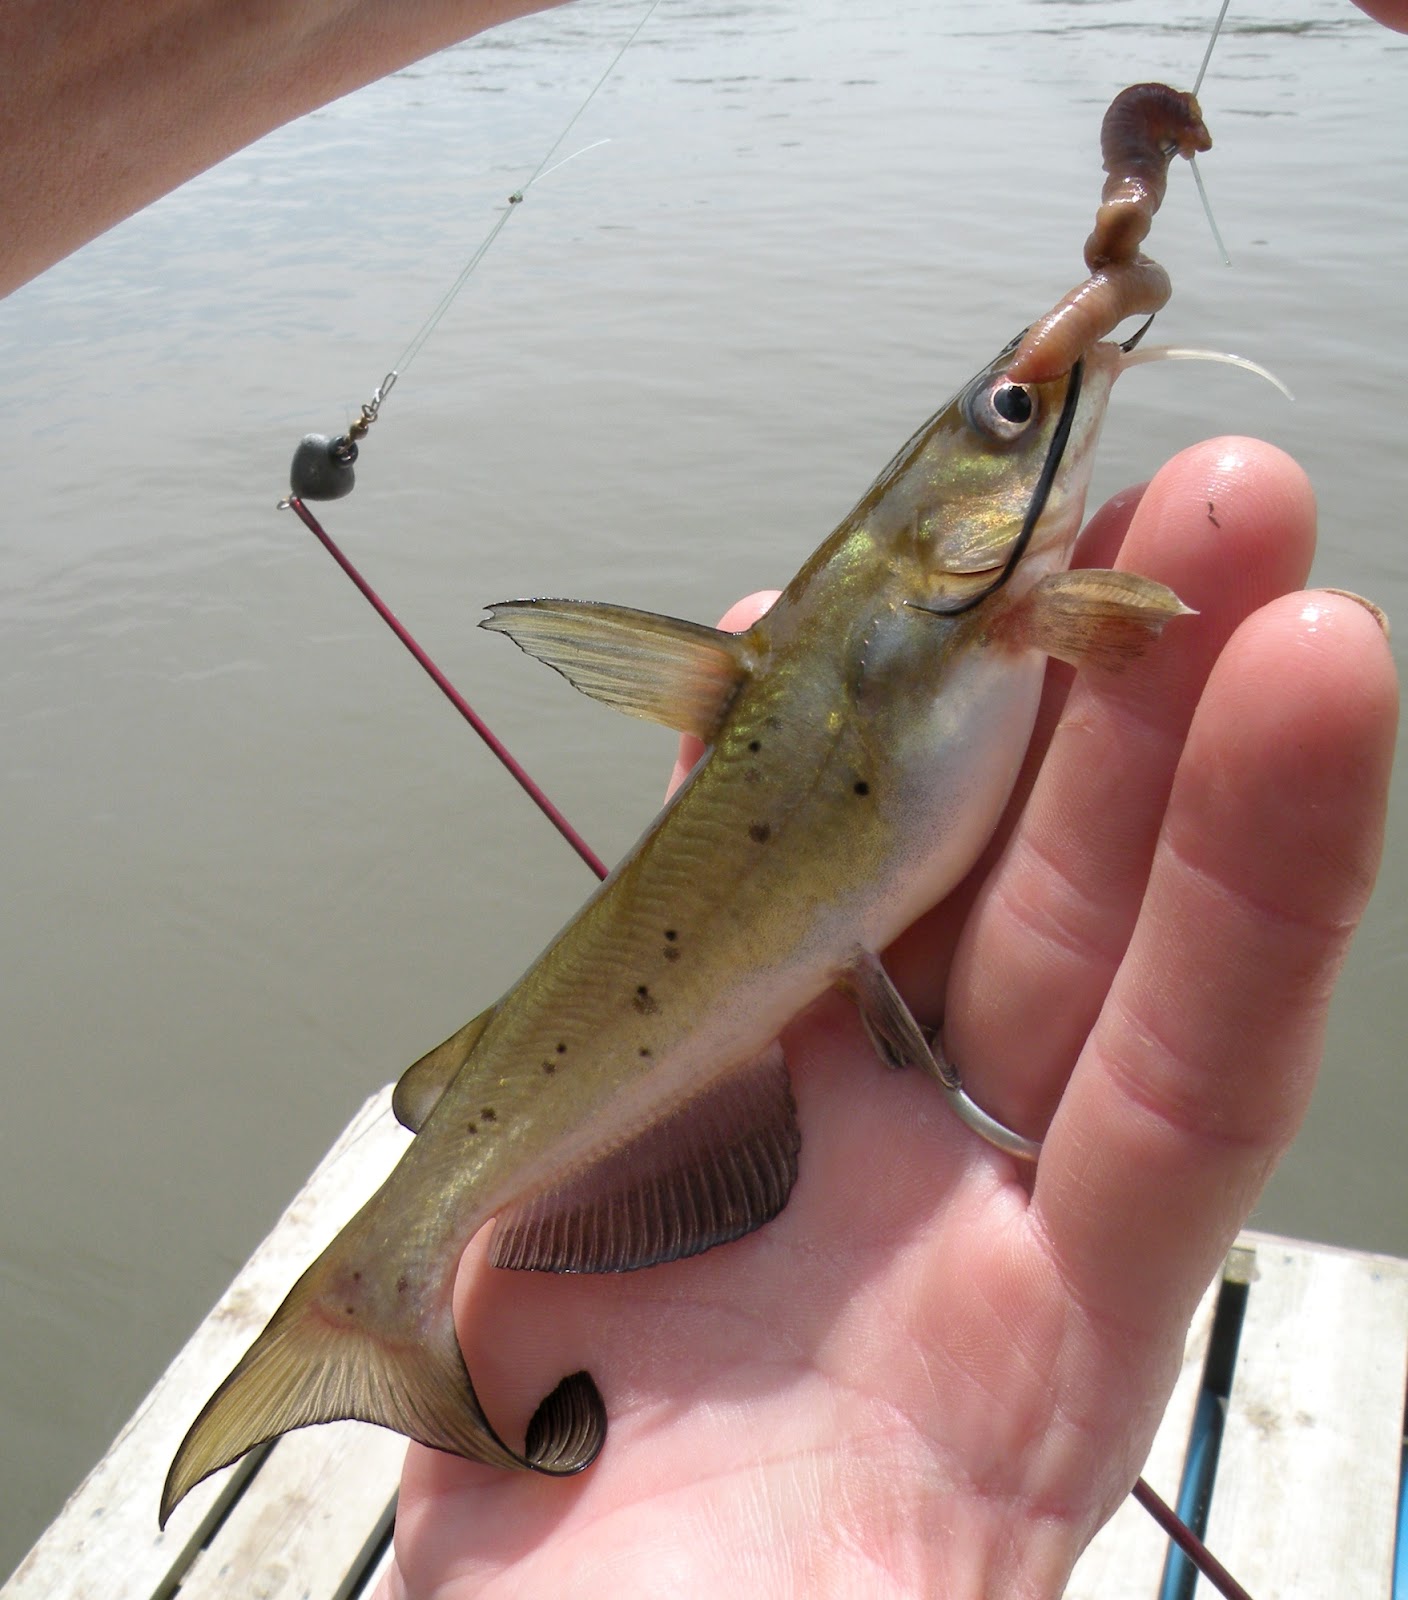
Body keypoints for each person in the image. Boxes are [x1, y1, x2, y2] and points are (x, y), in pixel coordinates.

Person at [3, 5, 1401, 1596]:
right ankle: (377, 1299)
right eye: (1006, 414)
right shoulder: (1005, 603)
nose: (1042, 390)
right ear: (932, 526)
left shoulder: (992, 601)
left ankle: (393, 1282)